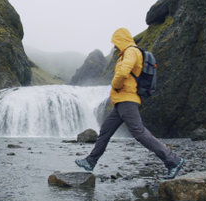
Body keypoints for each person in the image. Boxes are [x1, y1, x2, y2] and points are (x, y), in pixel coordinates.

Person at [75, 28, 184, 179]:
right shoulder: (125, 53)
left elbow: (124, 72)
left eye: (116, 42)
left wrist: (115, 85)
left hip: (127, 99)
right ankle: (90, 161)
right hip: (120, 102)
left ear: (121, 40)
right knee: (105, 131)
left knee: (139, 133)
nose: (114, 46)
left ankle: (172, 160)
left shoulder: (131, 51)